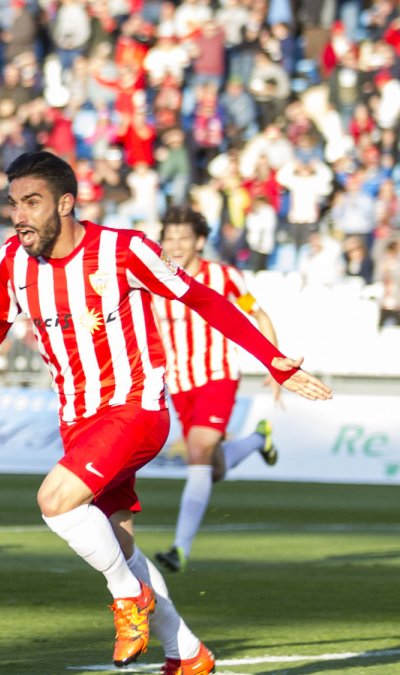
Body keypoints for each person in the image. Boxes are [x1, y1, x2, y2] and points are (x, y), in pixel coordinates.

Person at [0, 152, 332, 675]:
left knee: (56, 501)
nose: (19, 215)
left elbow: (202, 299)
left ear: (65, 203)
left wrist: (273, 359)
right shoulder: (12, 262)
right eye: (13, 203)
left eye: (32, 202)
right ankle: (186, 651)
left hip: (136, 408)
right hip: (78, 419)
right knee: (118, 540)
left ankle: (128, 599)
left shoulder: (123, 251)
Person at [152, 207, 282, 574]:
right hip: (178, 383)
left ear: (198, 241)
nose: (175, 245)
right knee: (213, 467)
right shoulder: (155, 282)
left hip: (217, 376)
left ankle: (180, 548)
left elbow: (257, 313)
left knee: (198, 450)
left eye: (183, 238)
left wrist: (274, 363)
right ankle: (258, 440)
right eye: (169, 238)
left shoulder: (223, 277)